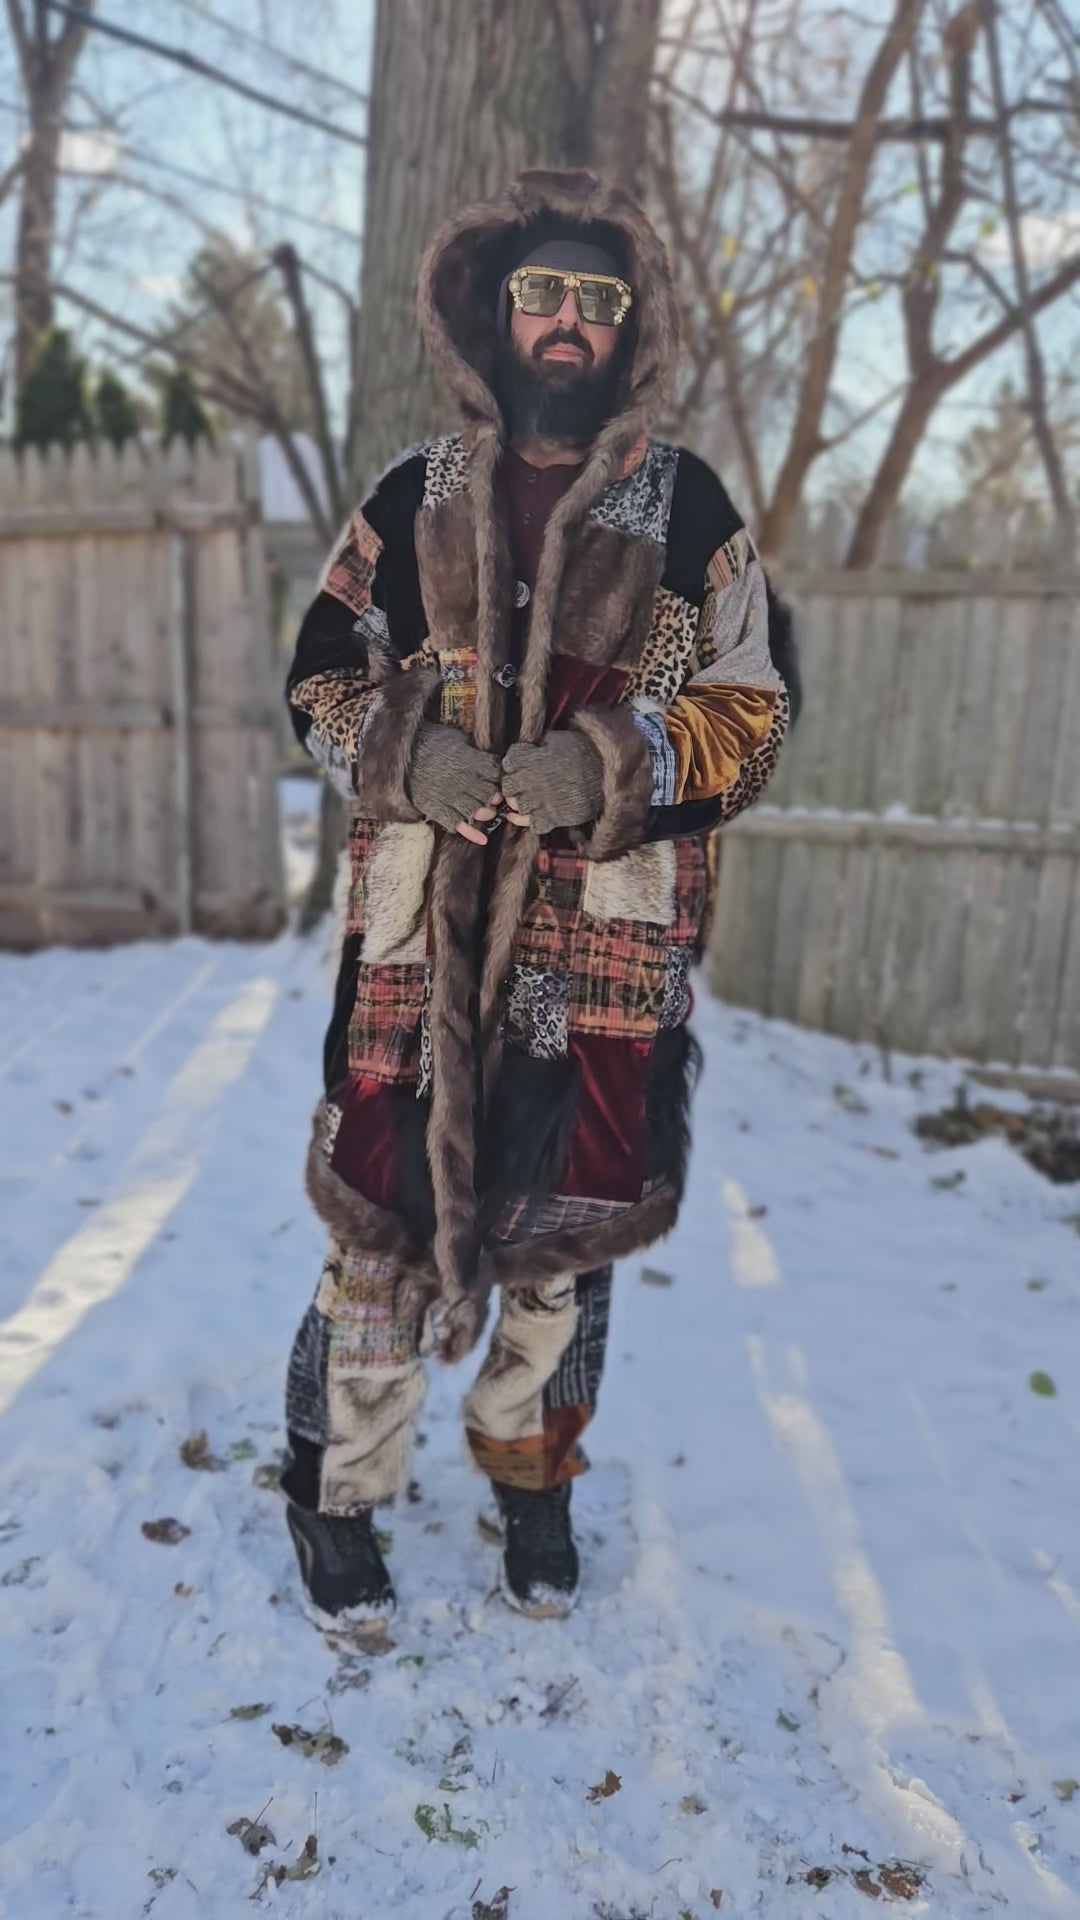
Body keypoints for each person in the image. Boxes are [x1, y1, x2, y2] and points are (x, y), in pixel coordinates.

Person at [280, 168, 794, 1627]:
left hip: (603, 938)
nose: (568, 319)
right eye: (543, 292)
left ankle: (535, 1475)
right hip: (418, 933)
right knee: (378, 1227)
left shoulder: (688, 509)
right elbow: (318, 677)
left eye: (598, 298)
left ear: (633, 328)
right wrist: (409, 755)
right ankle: (333, 1487)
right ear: (492, 312)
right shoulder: (413, 495)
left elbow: (753, 711)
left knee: (564, 1246)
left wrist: (608, 761)